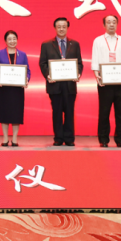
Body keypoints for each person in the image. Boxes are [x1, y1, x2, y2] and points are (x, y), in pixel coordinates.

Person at [39, 17, 83, 146]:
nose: (61, 29)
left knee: (69, 112)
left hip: (70, 84)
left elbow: (79, 63)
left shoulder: (75, 44)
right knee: (57, 112)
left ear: (67, 27)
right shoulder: (46, 44)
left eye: (64, 26)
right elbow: (42, 63)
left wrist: (78, 73)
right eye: (59, 26)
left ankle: (69, 138)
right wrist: (48, 75)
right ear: (55, 28)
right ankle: (58, 138)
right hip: (54, 84)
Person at [91, 15, 121, 148]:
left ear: (117, 24)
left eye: (114, 22)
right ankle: (103, 139)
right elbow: (95, 59)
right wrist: (96, 75)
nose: (111, 24)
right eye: (108, 22)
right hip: (105, 82)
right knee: (104, 112)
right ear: (104, 25)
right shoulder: (98, 40)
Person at [0, 30, 31, 146]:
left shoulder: (22, 54)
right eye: (9, 39)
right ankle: (5, 138)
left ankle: (14, 138)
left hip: (17, 89)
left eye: (14, 39)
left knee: (16, 113)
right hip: (4, 88)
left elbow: (28, 71)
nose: (12, 41)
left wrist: (26, 79)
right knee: (4, 113)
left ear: (17, 40)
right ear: (5, 41)